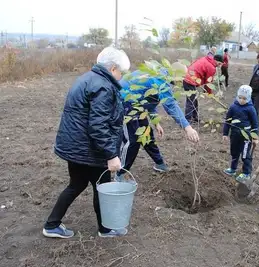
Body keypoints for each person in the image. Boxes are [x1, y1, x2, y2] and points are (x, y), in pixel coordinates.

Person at [42, 47, 131, 239]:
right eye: (120, 72)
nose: (120, 76)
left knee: (76, 184)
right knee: (102, 187)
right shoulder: (103, 86)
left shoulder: (86, 78)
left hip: (76, 147)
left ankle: (52, 224)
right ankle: (106, 229)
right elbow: (98, 125)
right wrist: (111, 155)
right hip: (90, 150)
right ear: (113, 68)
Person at [117, 64, 200, 178]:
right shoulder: (160, 81)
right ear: (174, 75)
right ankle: (119, 174)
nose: (182, 81)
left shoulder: (159, 74)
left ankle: (159, 164)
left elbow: (148, 99)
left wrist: (155, 122)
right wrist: (188, 128)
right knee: (132, 141)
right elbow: (171, 105)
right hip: (124, 102)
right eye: (181, 78)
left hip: (137, 103)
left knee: (146, 134)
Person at [222, 85, 259, 181]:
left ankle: (246, 173)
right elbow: (228, 121)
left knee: (245, 154)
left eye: (244, 98)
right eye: (240, 98)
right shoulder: (233, 106)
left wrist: (255, 137)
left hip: (246, 136)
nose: (242, 100)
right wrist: (225, 133)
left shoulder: (250, 109)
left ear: (249, 98)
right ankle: (233, 168)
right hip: (234, 134)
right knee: (234, 152)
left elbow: (255, 124)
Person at [183, 54, 224, 123]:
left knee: (194, 100)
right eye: (219, 63)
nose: (219, 66)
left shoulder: (205, 59)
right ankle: (187, 120)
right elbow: (208, 83)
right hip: (190, 81)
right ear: (216, 60)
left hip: (188, 79)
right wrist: (209, 93)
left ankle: (194, 117)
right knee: (191, 101)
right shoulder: (211, 67)